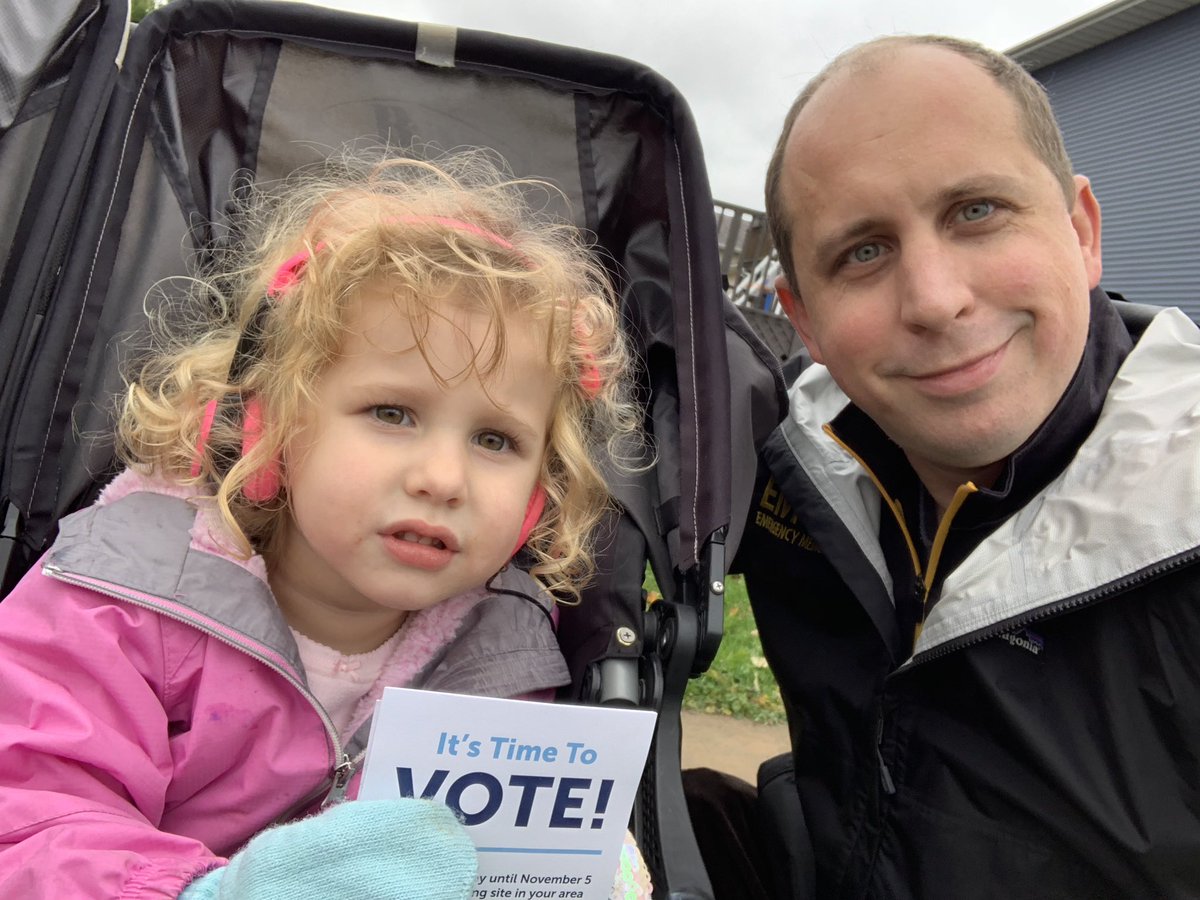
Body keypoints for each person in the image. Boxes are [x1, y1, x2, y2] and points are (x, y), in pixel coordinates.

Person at [0, 150, 653, 899]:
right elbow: (29, 816)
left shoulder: (502, 660)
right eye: (392, 413)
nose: (443, 478)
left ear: (541, 493)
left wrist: (560, 868)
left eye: (495, 440)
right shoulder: (120, 601)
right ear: (269, 425)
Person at [723, 34, 1200, 898]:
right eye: (863, 252)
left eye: (976, 211)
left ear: (1082, 232)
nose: (936, 300)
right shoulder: (784, 453)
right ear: (804, 316)